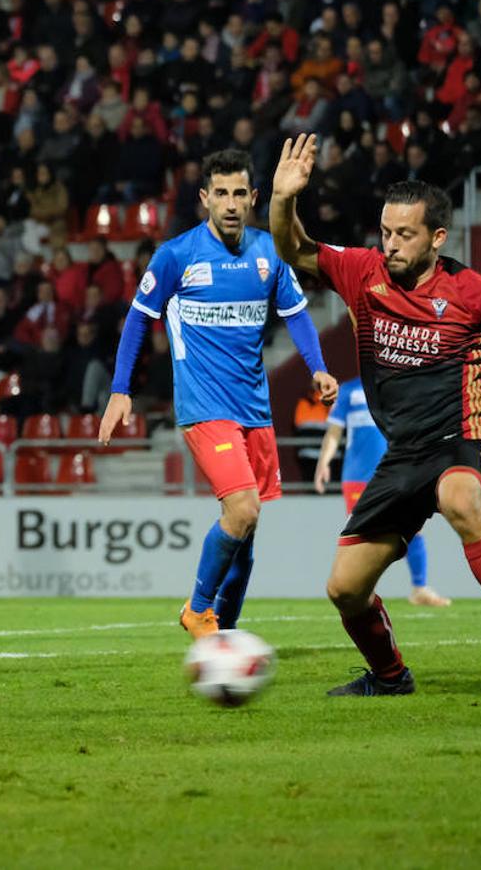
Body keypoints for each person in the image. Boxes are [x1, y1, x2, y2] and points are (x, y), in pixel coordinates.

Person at [270, 133, 481, 694]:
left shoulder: (475, 292)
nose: (389, 244)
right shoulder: (361, 272)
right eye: (386, 231)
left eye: (405, 234)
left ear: (437, 237)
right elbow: (294, 251)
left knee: (459, 498)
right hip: (402, 456)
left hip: (460, 437)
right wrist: (282, 201)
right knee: (345, 589)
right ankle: (390, 676)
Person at [99, 149, 338, 638]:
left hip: (255, 410)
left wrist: (318, 368)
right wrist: (122, 389)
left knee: (245, 532)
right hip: (204, 408)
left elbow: (295, 312)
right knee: (244, 509)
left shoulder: (270, 252)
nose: (230, 204)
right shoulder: (176, 256)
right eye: (221, 194)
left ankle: (224, 636)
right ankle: (198, 610)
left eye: (239, 194)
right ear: (205, 198)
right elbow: (140, 317)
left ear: (253, 198)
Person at [314, 377, 451, 607]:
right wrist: (323, 463)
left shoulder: (397, 385)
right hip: (357, 476)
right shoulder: (348, 391)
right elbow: (334, 432)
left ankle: (420, 589)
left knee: (413, 529)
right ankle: (363, 590)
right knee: (361, 535)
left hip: (395, 471)